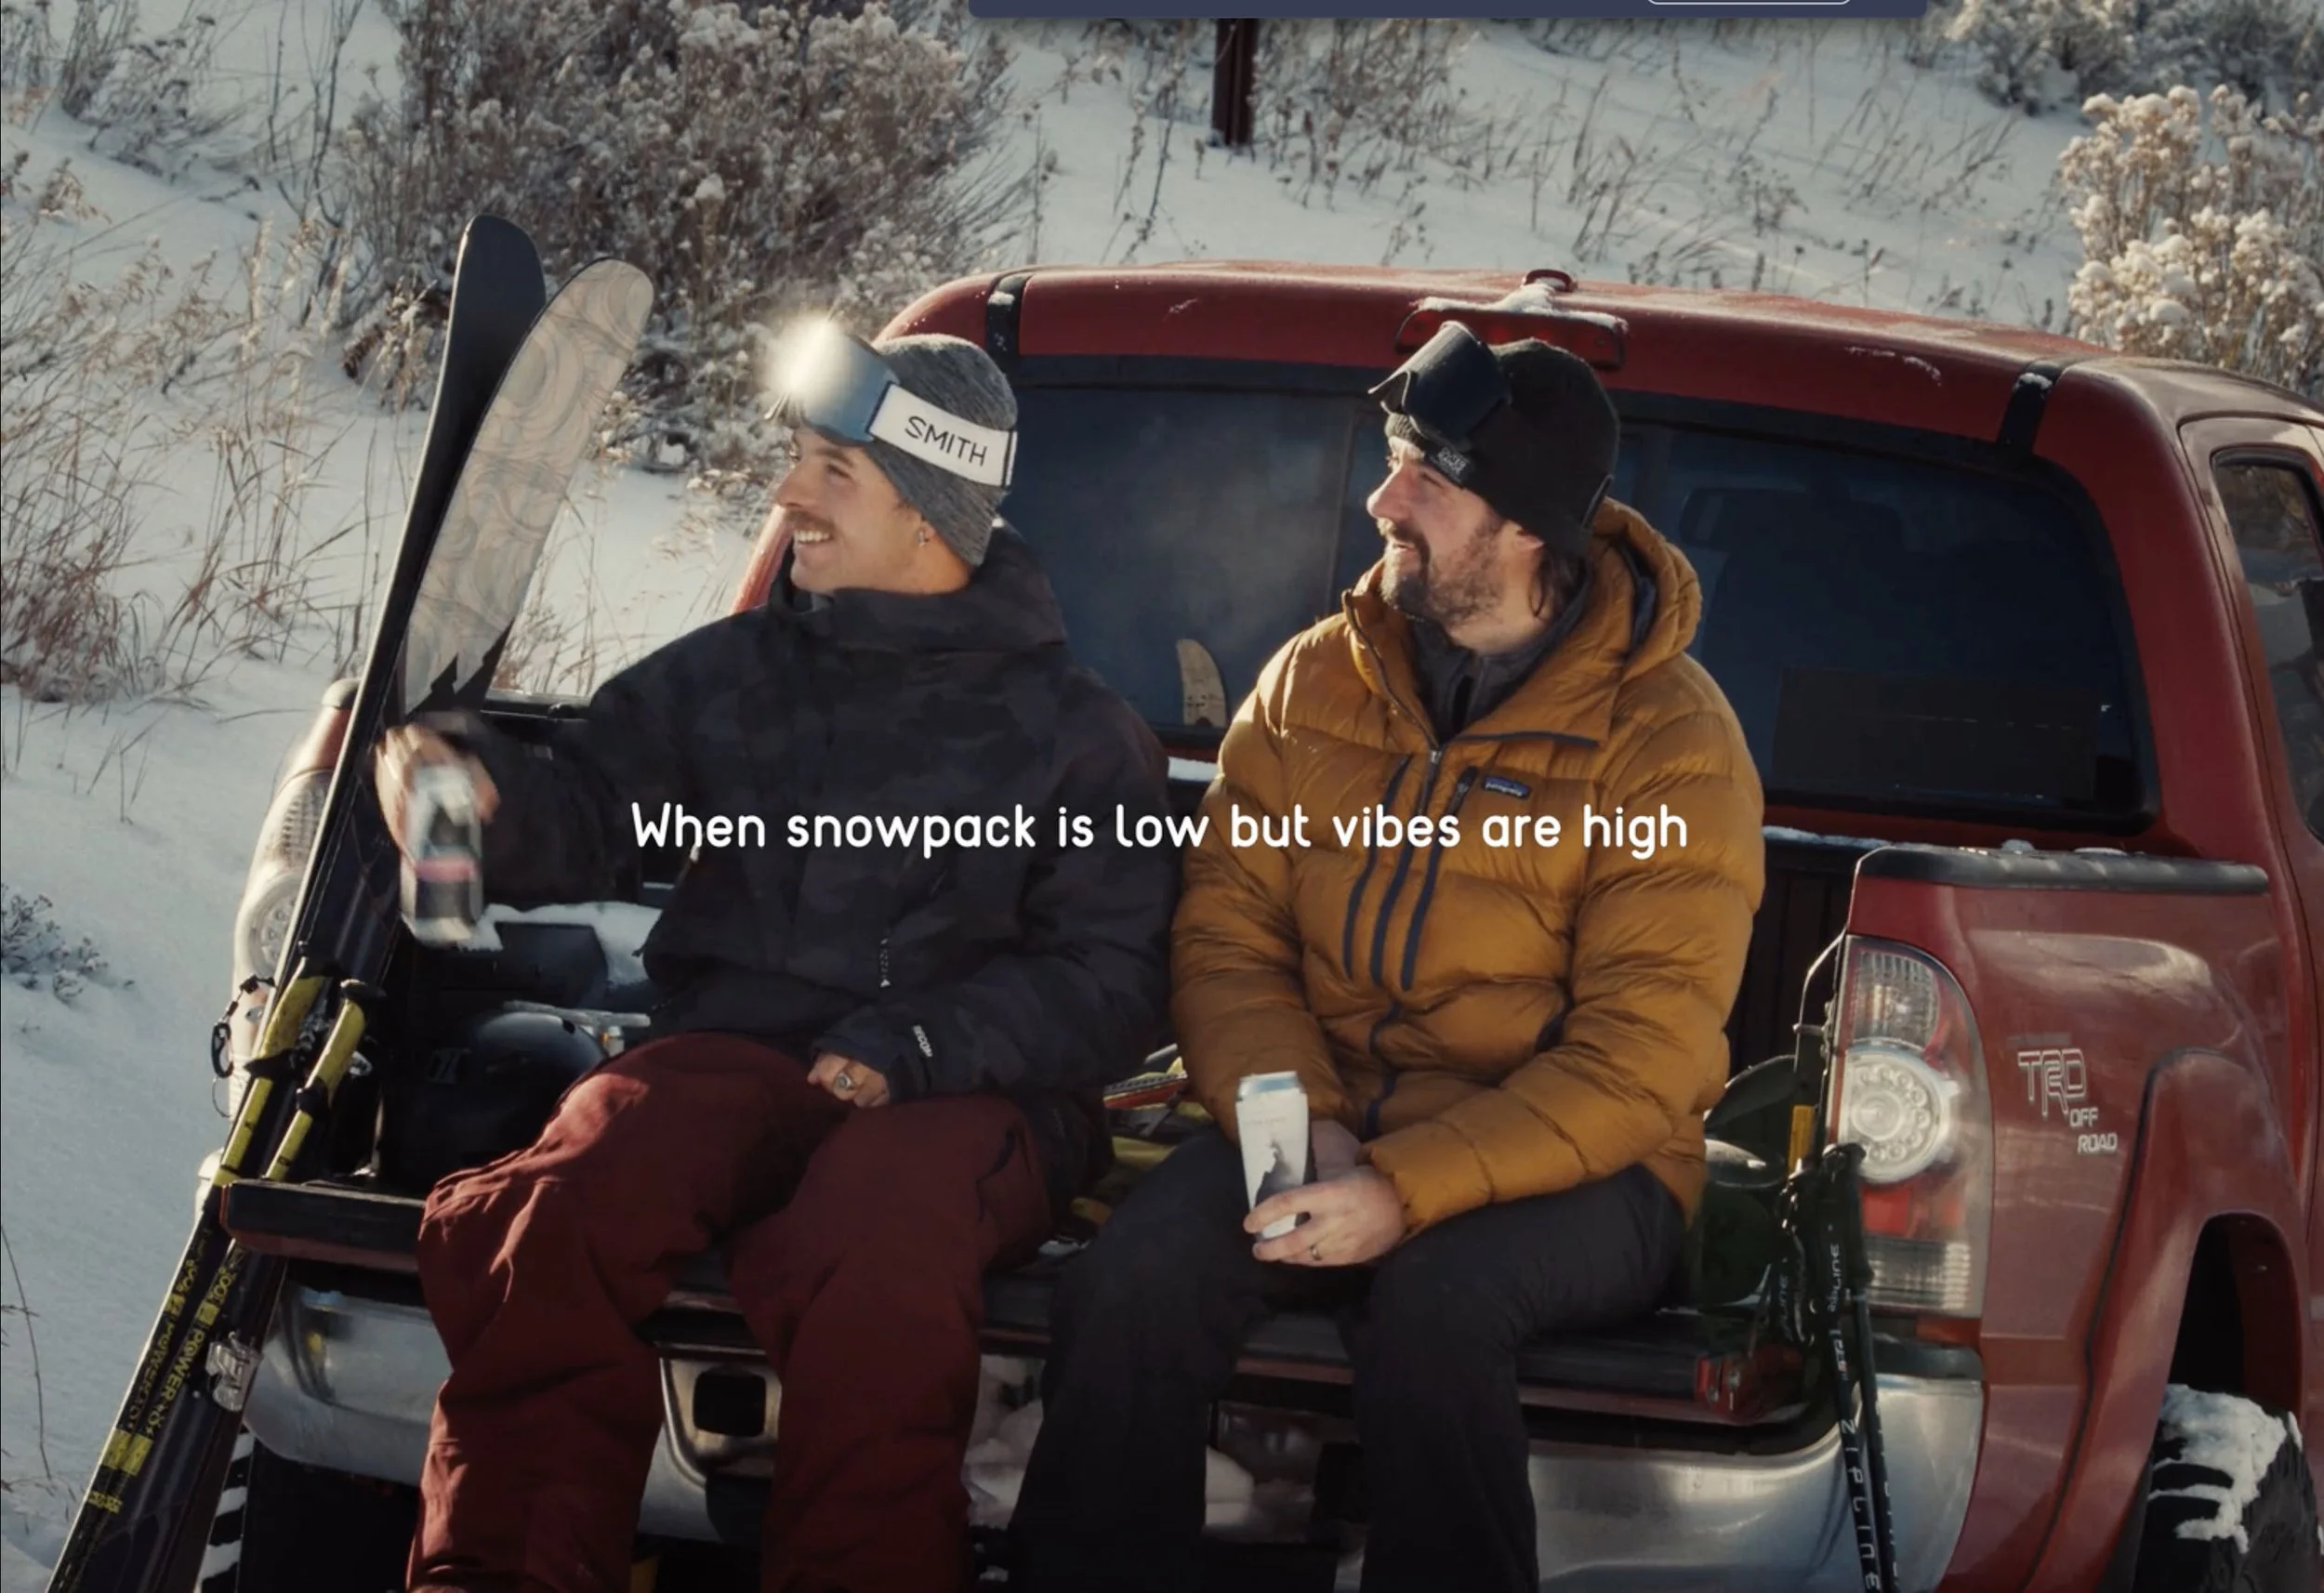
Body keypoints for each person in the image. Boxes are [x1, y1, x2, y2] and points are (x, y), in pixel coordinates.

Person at [376, 326, 1180, 1593]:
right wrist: (471, 798)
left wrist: (921, 1041)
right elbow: (594, 803)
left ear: (928, 511)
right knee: (569, 1192)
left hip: (976, 1101)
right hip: (738, 1057)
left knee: (879, 1230)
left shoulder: (1078, 737)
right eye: (797, 458)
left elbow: (1113, 977)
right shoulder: (741, 674)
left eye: (831, 471)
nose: (788, 492)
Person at [1010, 324, 1766, 1593]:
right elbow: (1230, 933)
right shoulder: (1317, 680)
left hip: (1588, 1169)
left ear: (1523, 527)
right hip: (1328, 1119)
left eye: (1430, 476)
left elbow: (1640, 1061)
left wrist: (1403, 1189)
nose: (1383, 499)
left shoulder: (1670, 742)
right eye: (1393, 458)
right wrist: (1299, 1122)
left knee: (1436, 1304)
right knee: (1135, 1279)